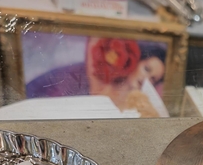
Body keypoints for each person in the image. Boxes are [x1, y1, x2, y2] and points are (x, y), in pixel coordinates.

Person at [26, 38, 167, 117]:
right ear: (136, 61)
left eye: (153, 79)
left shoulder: (140, 106)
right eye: (146, 69)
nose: (145, 79)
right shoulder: (99, 78)